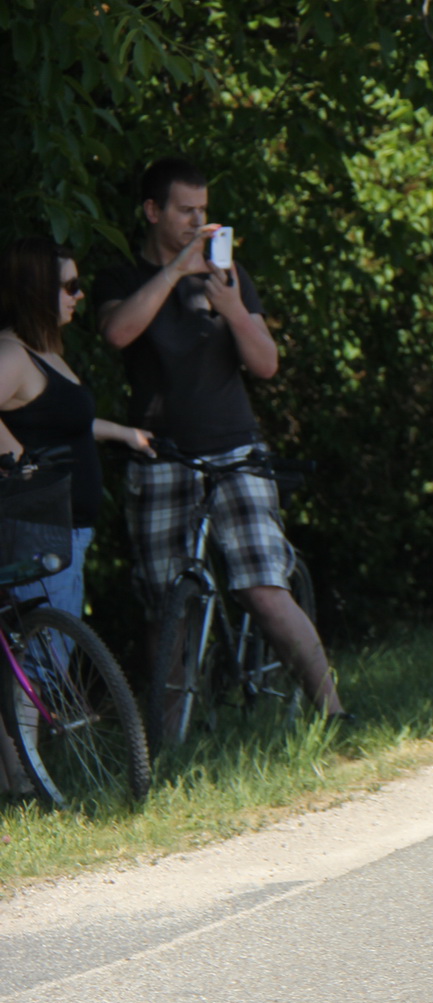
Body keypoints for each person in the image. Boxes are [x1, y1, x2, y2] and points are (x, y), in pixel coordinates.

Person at [92, 158, 345, 719]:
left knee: (263, 589)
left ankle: (333, 713)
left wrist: (232, 307)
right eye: (185, 210)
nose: (197, 222)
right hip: (161, 456)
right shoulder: (122, 279)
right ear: (152, 210)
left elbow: (266, 364)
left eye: (203, 210)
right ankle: (169, 741)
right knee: (167, 607)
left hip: (236, 450)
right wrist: (175, 272)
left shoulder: (228, 276)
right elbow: (117, 332)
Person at [0, 239, 155, 617]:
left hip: (65, 533)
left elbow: (61, 422)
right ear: (36, 290)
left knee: (56, 646)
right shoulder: (11, 354)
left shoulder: (45, 352)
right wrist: (18, 459)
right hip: (39, 531)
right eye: (70, 287)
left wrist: (124, 433)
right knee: (45, 650)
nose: (80, 295)